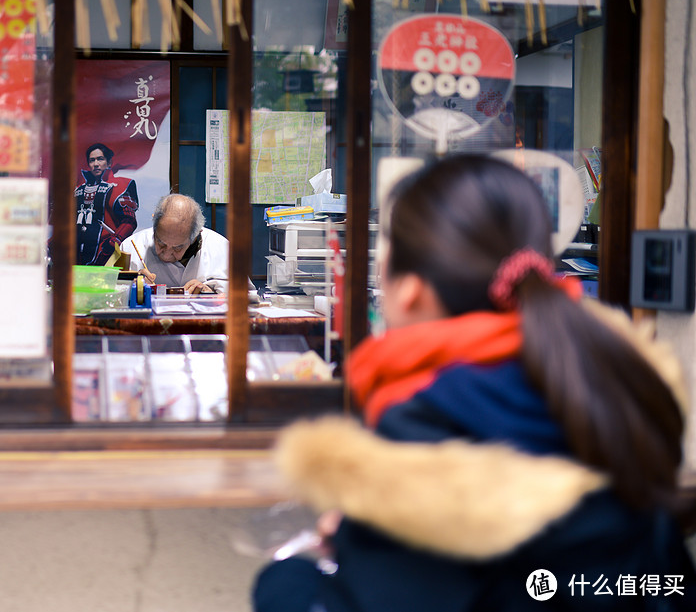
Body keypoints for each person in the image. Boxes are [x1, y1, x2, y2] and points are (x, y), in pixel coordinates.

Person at [252, 154, 695, 612]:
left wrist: (287, 579)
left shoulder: (428, 428)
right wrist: (368, 534)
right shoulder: (616, 383)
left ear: (408, 289)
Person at [122, 193, 248, 295]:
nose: (166, 255)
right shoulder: (131, 247)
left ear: (196, 235)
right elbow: (110, 297)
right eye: (161, 243)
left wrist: (209, 293)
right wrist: (131, 288)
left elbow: (247, 297)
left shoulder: (221, 248)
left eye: (178, 248)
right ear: (154, 225)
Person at [74, 142, 139, 266]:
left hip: (107, 255)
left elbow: (129, 221)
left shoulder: (122, 185)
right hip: (77, 255)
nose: (96, 164)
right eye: (92, 160)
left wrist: (114, 242)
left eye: (100, 159)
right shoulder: (78, 189)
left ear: (109, 163)